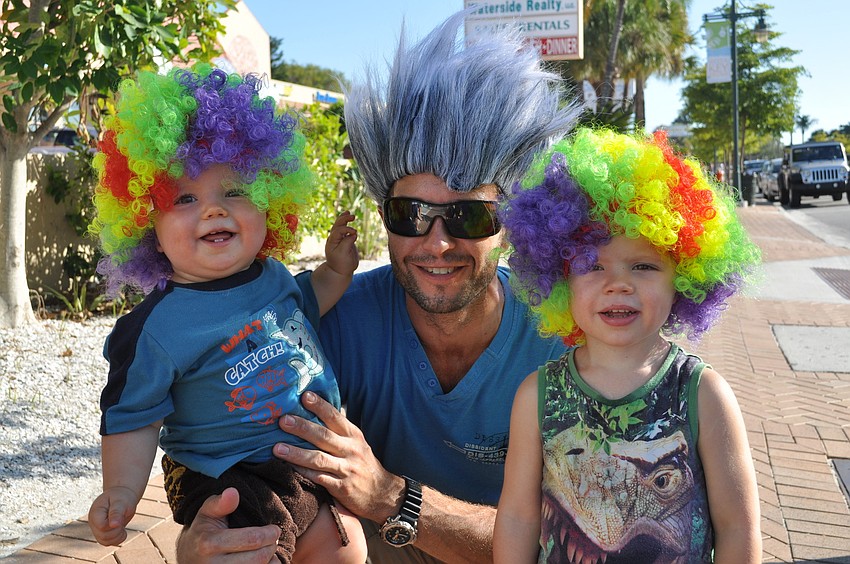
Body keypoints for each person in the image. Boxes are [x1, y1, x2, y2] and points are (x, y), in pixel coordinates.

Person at [175, 10, 581, 564]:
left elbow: (574, 541)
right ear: (383, 216)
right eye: (411, 214)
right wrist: (201, 537)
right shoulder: (325, 324)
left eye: (469, 216)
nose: (437, 243)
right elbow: (203, 438)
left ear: (512, 221)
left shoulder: (564, 344)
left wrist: (392, 498)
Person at [85, 65, 366, 563]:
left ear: (269, 203)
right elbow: (133, 417)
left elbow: (309, 301)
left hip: (307, 461)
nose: (213, 210)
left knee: (347, 547)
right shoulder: (157, 328)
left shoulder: (273, 276)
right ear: (147, 227)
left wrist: (337, 270)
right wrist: (123, 492)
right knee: (253, 549)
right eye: (185, 199)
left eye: (234, 191)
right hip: (230, 473)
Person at [493, 128, 763, 563]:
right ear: (559, 279)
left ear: (684, 278)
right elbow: (517, 518)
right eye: (591, 265)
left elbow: (737, 527)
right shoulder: (537, 396)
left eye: (643, 266)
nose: (618, 284)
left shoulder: (704, 395)